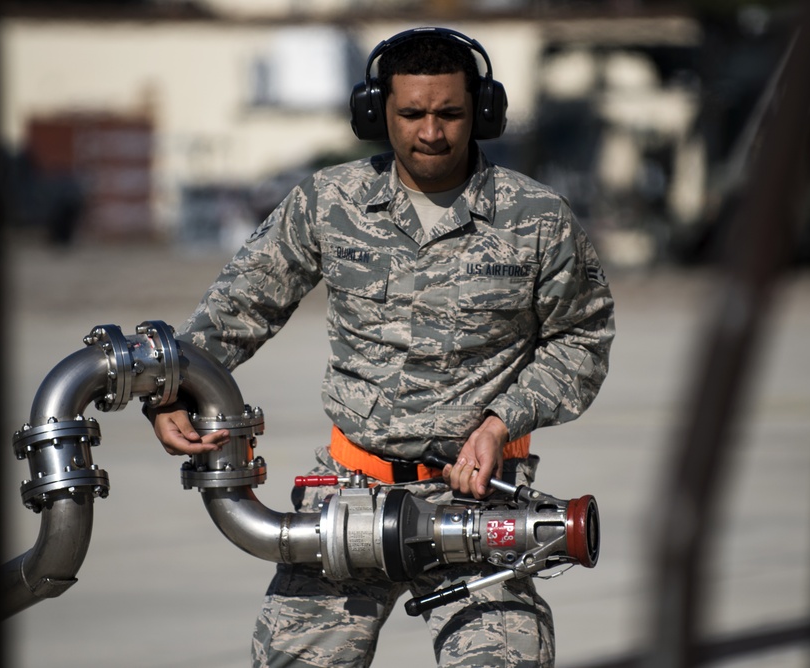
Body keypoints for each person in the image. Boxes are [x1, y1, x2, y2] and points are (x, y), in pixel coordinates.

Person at [148, 26, 615, 668]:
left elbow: (582, 339)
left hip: (479, 504)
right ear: (376, 114)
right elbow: (238, 307)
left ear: (481, 112)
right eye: (412, 114)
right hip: (349, 496)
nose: (432, 132)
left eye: (450, 113)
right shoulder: (327, 203)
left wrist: (503, 421)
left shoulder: (537, 218)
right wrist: (173, 389)